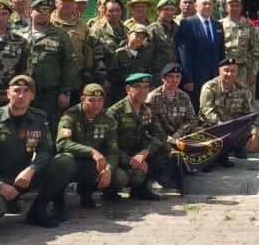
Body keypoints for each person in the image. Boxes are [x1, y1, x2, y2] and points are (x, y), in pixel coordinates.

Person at [0, 75, 73, 226]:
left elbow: (45, 151)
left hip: (23, 177)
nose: (21, 95)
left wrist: (31, 169)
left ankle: (37, 211)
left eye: (26, 91)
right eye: (16, 91)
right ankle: (2, 203)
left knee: (64, 161)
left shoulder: (39, 118)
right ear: (8, 93)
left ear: (33, 96)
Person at [55, 83, 125, 207]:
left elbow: (112, 151)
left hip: (93, 164)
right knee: (64, 162)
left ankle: (86, 192)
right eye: (91, 100)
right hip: (72, 161)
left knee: (119, 177)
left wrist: (108, 169)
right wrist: (91, 151)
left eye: (100, 101)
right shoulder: (71, 115)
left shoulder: (108, 120)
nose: (96, 105)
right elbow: (62, 143)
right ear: (82, 99)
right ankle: (58, 201)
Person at [108, 72, 166, 201]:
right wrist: (130, 160)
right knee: (121, 178)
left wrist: (145, 153)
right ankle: (109, 191)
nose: (142, 91)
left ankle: (142, 188)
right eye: (138, 87)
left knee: (164, 149)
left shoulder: (148, 109)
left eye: (146, 87)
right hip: (119, 156)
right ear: (128, 89)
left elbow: (160, 135)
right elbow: (109, 145)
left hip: (138, 152)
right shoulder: (115, 112)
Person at [145, 63, 200, 189]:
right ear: (163, 78)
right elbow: (151, 124)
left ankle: (195, 167)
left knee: (201, 134)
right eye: (171, 77)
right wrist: (167, 138)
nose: (175, 80)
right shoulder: (152, 98)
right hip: (161, 137)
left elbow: (191, 120)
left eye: (178, 77)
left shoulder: (184, 96)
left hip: (179, 136)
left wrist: (178, 134)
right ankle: (159, 177)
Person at [24, 0, 78, 124]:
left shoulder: (60, 35)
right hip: (24, 92)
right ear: (30, 12)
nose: (43, 13)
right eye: (39, 10)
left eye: (47, 11)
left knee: (48, 130)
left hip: (50, 94)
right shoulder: (19, 34)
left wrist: (65, 92)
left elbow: (70, 64)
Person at [199, 57, 257, 162]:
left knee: (249, 129)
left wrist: (254, 132)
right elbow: (207, 112)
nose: (230, 74)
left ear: (237, 72)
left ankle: (237, 148)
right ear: (219, 71)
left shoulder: (243, 89)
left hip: (232, 127)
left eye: (233, 71)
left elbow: (249, 114)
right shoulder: (209, 87)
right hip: (213, 126)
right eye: (226, 71)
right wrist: (224, 127)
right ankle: (212, 156)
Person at [175, 0, 225, 97]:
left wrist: (222, 74)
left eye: (210, 4)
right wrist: (187, 78)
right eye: (204, 4)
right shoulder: (187, 24)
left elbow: (221, 52)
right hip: (196, 77)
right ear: (196, 6)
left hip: (214, 76)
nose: (207, 6)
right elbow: (184, 53)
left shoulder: (218, 25)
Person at [218, 0, 259, 95]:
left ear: (241, 7)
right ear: (226, 7)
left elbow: (256, 51)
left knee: (243, 100)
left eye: (237, 5)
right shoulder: (219, 25)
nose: (234, 8)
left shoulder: (249, 26)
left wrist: (254, 73)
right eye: (231, 5)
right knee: (223, 98)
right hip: (225, 70)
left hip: (243, 72)